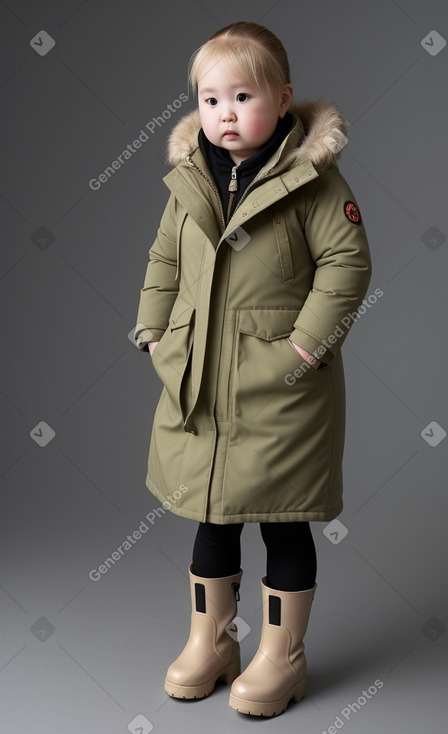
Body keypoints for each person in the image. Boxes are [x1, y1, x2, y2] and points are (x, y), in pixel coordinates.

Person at [133, 21, 372, 717]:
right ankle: (210, 641)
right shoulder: (189, 183)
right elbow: (164, 260)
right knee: (211, 516)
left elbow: (346, 266)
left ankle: (281, 656)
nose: (225, 113)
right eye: (210, 99)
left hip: (280, 390)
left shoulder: (314, 182)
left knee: (282, 519)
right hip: (200, 383)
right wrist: (153, 329)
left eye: (242, 95)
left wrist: (302, 350)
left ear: (283, 99)